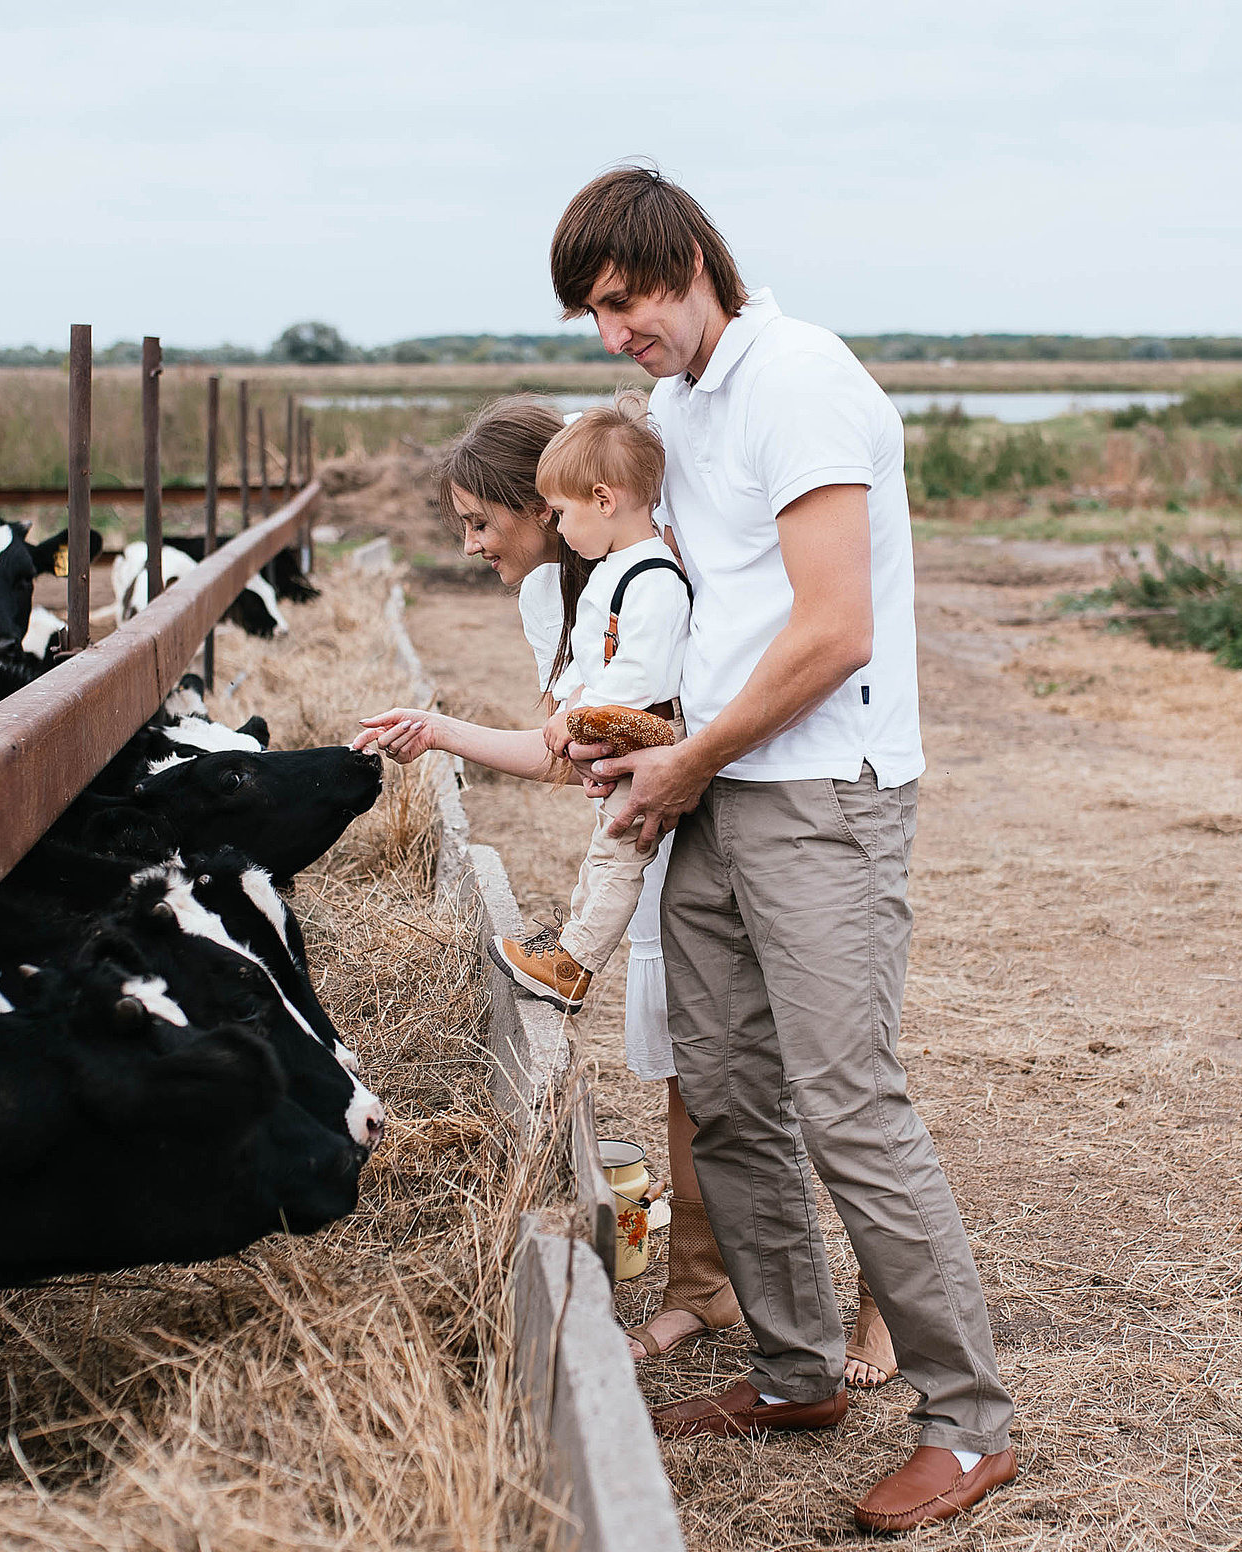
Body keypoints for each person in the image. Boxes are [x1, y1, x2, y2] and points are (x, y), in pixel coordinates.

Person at [553, 164, 1016, 1532]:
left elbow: (833, 628)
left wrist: (689, 757)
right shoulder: (680, 407)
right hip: (713, 784)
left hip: (820, 788)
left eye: (625, 303)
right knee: (727, 1095)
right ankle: (796, 1368)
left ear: (690, 262)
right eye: (595, 316)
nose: (614, 336)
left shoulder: (799, 378)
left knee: (845, 1100)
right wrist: (637, 727)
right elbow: (711, 603)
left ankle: (967, 1422)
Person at [352, 397, 900, 1380]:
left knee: (814, 1059)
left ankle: (881, 1291)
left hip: (728, 799)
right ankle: (705, 1281)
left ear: (548, 505)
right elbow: (561, 749)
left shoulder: (651, 568)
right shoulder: (560, 592)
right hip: (656, 820)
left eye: (482, 521)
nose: (472, 545)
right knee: (699, 1063)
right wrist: (436, 731)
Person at [483, 394, 691, 1016]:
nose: (559, 527)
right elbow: (592, 654)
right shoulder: (615, 569)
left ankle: (576, 962)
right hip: (618, 729)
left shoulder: (653, 578)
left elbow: (638, 674)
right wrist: (573, 695)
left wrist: (581, 715)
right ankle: (567, 946)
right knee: (605, 849)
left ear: (603, 501)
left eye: (561, 512)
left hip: (642, 732)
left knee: (620, 854)